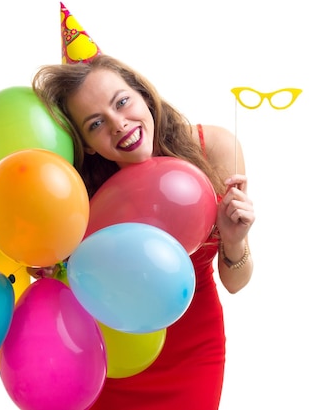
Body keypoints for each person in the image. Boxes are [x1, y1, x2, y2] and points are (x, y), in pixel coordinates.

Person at [31, 54, 255, 410]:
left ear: (144, 96)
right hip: (113, 353)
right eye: (95, 124)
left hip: (192, 349)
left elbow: (235, 282)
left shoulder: (214, 148)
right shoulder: (80, 193)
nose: (118, 124)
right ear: (87, 144)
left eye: (122, 102)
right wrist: (48, 268)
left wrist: (235, 238)